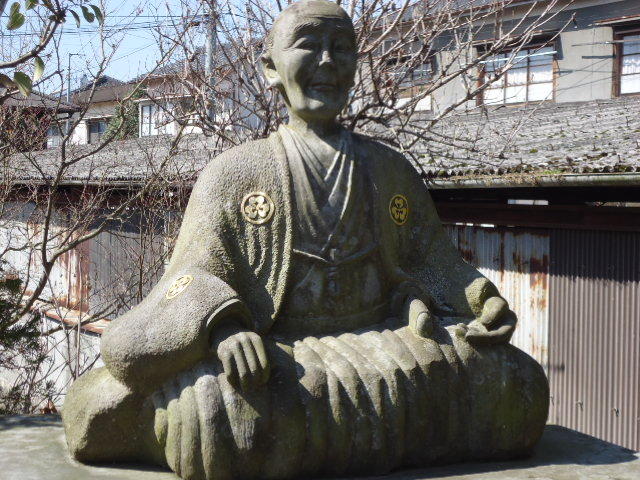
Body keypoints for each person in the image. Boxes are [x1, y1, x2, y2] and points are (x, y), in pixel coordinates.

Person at [63, 2, 548, 479]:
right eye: (309, 45)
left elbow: (432, 262)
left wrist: (479, 299)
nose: (327, 62)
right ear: (271, 69)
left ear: (356, 66)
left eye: (341, 48)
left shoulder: (390, 170)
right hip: (281, 360)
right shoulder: (233, 173)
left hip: (389, 347)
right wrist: (223, 329)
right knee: (219, 411)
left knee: (517, 383)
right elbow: (193, 273)